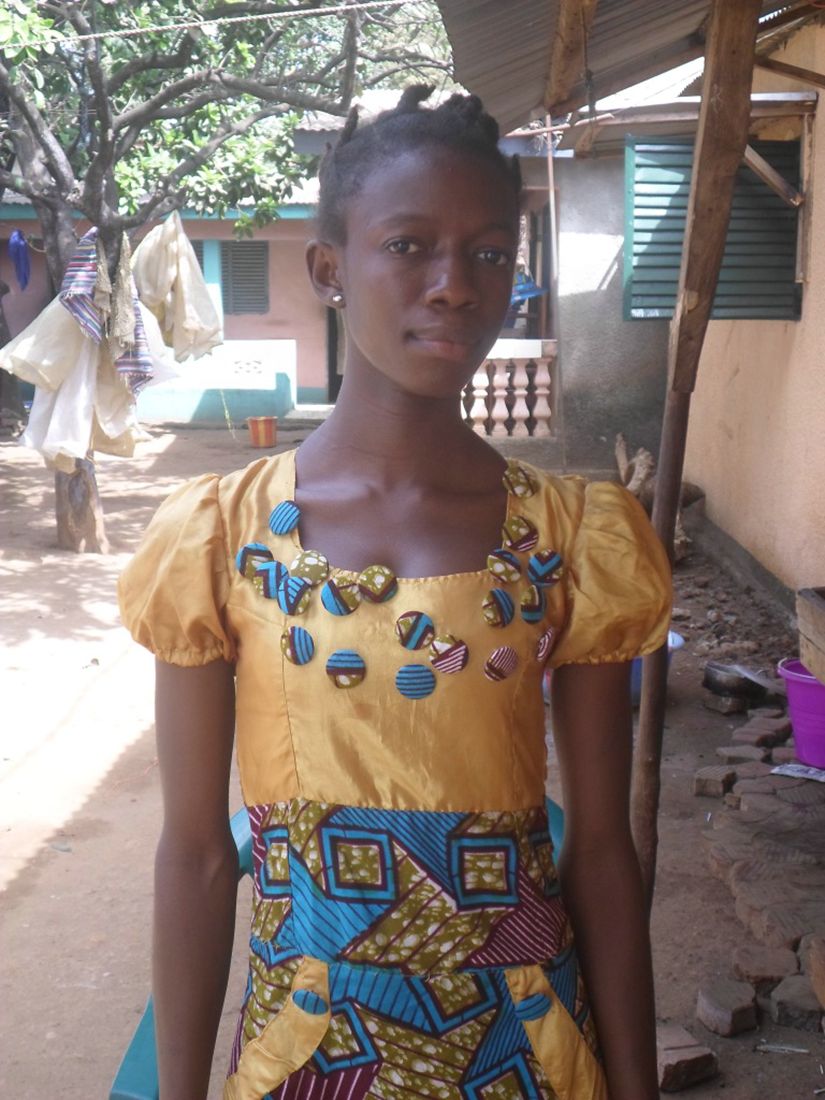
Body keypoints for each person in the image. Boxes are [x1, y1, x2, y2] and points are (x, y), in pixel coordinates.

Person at [118, 86, 671, 1100]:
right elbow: (196, 855)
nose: (455, 285)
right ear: (329, 269)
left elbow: (599, 849)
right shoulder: (223, 535)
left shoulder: (569, 535)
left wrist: (635, 1087)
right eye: (409, 245)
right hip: (307, 1056)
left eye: (490, 253)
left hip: (524, 1053)